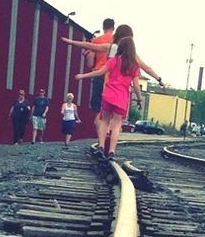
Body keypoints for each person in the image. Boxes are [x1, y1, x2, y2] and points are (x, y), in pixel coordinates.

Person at [76, 26, 162, 159]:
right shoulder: (133, 65)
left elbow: (100, 72)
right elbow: (139, 80)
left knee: (104, 121)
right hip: (121, 99)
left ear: (120, 47)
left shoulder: (114, 60)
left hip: (108, 95)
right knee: (116, 126)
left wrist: (82, 76)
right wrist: (155, 83)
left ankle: (101, 146)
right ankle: (111, 152)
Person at [61, 18, 114, 146]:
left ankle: (100, 143)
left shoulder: (97, 40)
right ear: (113, 28)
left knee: (98, 112)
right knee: (111, 112)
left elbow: (90, 62)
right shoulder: (117, 41)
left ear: (103, 27)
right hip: (113, 78)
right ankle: (109, 136)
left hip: (98, 75)